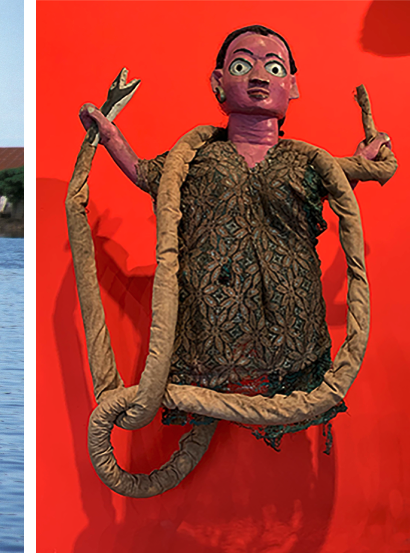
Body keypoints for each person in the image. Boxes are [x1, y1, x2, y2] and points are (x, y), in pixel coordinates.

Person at [79, 25, 393, 448]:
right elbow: (146, 174)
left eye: (274, 68)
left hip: (292, 337)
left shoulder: (305, 162)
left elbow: (335, 185)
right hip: (205, 337)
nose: (259, 77)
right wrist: (109, 134)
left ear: (292, 87)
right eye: (242, 65)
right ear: (218, 82)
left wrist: (361, 161)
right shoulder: (195, 157)